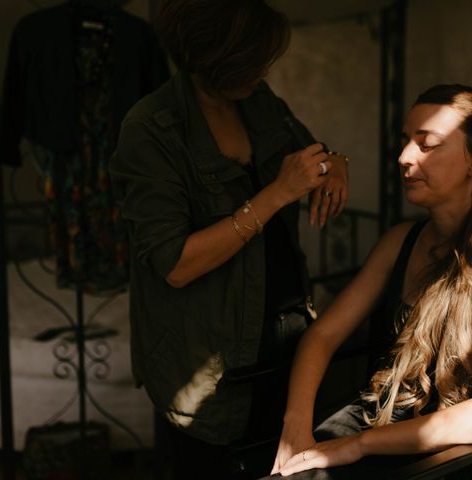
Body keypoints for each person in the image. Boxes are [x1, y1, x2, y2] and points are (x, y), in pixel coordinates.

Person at [109, 0, 349, 477]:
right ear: (215, 58)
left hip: (285, 334)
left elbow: (309, 152)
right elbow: (176, 265)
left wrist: (335, 161)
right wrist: (277, 193)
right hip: (207, 356)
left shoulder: (260, 100)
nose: (264, 69)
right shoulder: (152, 130)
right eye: (253, 59)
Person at [271, 84, 472, 477]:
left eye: (428, 144)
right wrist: (295, 428)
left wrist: (359, 445)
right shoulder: (400, 242)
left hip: (455, 453)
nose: (404, 157)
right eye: (405, 141)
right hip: (377, 419)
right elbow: (322, 337)